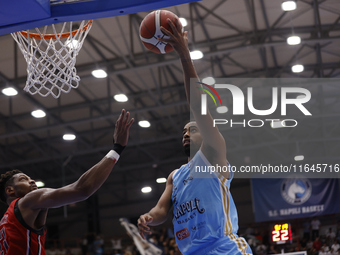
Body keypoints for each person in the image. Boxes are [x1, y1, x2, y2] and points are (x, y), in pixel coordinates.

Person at [137, 18, 252, 255]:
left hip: (225, 249)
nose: (186, 134)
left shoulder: (213, 155)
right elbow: (161, 210)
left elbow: (199, 108)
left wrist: (184, 55)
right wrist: (149, 217)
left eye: (193, 129)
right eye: (184, 131)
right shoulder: (174, 176)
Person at [0, 109, 134, 255]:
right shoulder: (27, 201)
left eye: (30, 178)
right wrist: (117, 149)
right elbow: (82, 189)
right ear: (9, 190)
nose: (31, 180)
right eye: (23, 179)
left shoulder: (5, 222)